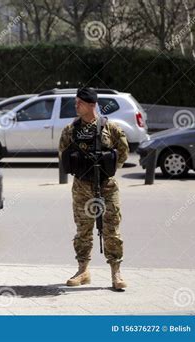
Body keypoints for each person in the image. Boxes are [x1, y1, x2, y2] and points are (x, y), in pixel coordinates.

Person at [59, 87, 129, 290]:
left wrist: (107, 167)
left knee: (112, 230)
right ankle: (83, 271)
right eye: (75, 102)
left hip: (107, 186)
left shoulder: (111, 128)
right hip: (82, 187)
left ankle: (116, 273)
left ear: (91, 105)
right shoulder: (71, 130)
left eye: (79, 102)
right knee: (83, 230)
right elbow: (63, 155)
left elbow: (123, 152)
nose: (75, 106)